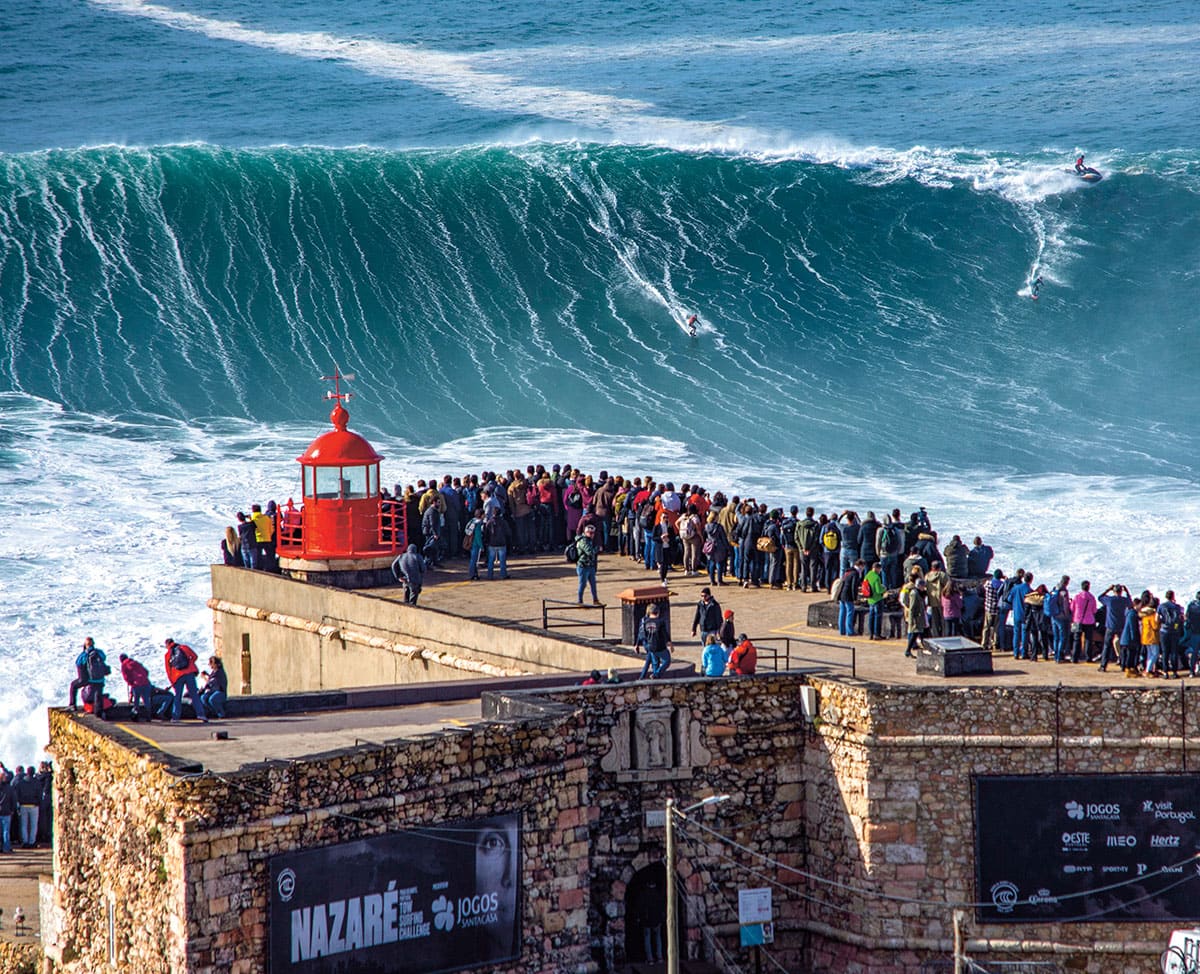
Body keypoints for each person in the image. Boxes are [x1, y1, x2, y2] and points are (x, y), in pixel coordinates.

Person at [163, 638, 207, 723]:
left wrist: (172, 682)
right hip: (189, 673)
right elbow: (195, 656)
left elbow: (168, 670)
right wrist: (190, 663)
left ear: (167, 645)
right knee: (194, 694)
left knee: (177, 696)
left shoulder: (168, 654)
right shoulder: (184, 647)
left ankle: (175, 717)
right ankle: (201, 714)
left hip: (177, 676)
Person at [1098, 584, 1131, 673]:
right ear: (1121, 591)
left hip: (1110, 626)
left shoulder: (1110, 600)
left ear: (1114, 591)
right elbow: (1130, 603)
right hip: (1121, 625)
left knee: (1106, 646)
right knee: (1123, 646)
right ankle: (1123, 665)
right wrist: (1127, 592)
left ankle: (1103, 666)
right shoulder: (1124, 600)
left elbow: (1100, 597)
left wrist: (1107, 589)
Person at [636, 604, 673, 680]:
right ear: (658, 612)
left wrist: (638, 644)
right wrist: (670, 643)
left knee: (655, 663)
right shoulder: (660, 622)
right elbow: (665, 634)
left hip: (650, 646)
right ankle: (656, 674)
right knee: (667, 660)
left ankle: (654, 680)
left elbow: (642, 633)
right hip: (659, 646)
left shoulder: (645, 622)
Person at [119, 652, 154, 721]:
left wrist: (131, 683)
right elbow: (146, 671)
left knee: (136, 701)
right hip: (146, 683)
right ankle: (148, 716)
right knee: (146, 700)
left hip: (136, 684)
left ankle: (136, 716)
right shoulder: (135, 662)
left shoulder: (124, 665)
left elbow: (126, 676)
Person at [901, 577, 928, 658]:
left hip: (919, 617)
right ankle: (908, 650)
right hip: (916, 618)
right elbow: (912, 608)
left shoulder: (917, 592)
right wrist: (912, 619)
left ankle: (909, 650)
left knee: (918, 634)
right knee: (915, 634)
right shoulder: (914, 593)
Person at [575, 524, 601, 604]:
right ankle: (579, 601)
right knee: (582, 585)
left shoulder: (589, 540)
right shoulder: (583, 541)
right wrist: (597, 549)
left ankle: (595, 600)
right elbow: (590, 552)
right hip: (583, 566)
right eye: (590, 533)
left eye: (593, 533)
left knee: (593, 585)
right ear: (586, 532)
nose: (592, 534)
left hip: (590, 566)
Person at [864, 561, 886, 640]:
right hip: (877, 599)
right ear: (876, 568)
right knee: (878, 617)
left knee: (871, 616)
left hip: (870, 599)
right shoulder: (877, 577)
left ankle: (871, 634)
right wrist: (884, 588)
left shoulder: (868, 575)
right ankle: (877, 634)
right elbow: (878, 590)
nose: (880, 571)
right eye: (879, 569)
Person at [0, 770, 14, 853]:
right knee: (6, 831)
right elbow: (13, 799)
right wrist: (12, 809)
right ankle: (6, 847)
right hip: (6, 811)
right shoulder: (9, 788)